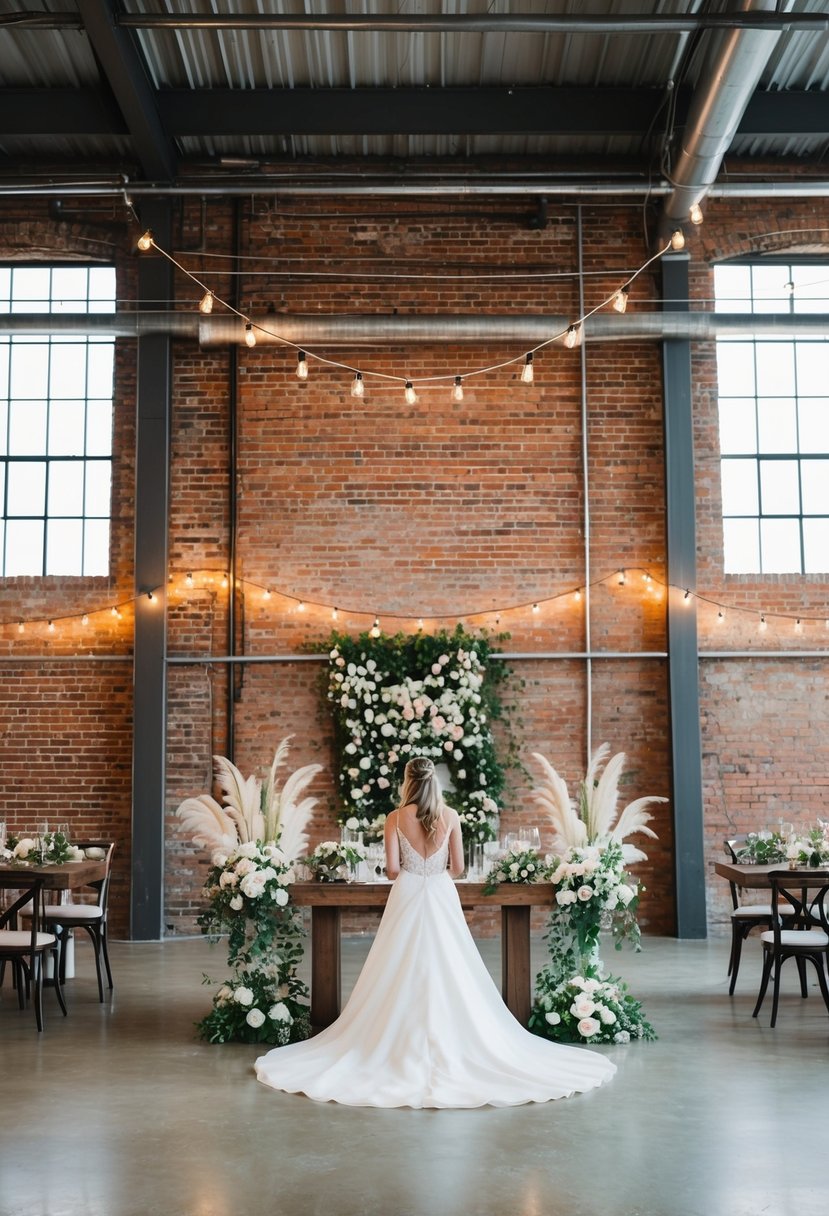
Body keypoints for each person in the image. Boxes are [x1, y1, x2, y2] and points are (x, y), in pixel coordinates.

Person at [255, 755, 615, 1107]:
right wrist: (435, 868)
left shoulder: (395, 817)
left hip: (407, 892)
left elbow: (393, 870)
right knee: (452, 964)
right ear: (435, 782)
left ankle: (392, 1042)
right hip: (441, 893)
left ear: (408, 782)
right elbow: (457, 867)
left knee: (397, 966)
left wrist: (411, 869)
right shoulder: (452, 816)